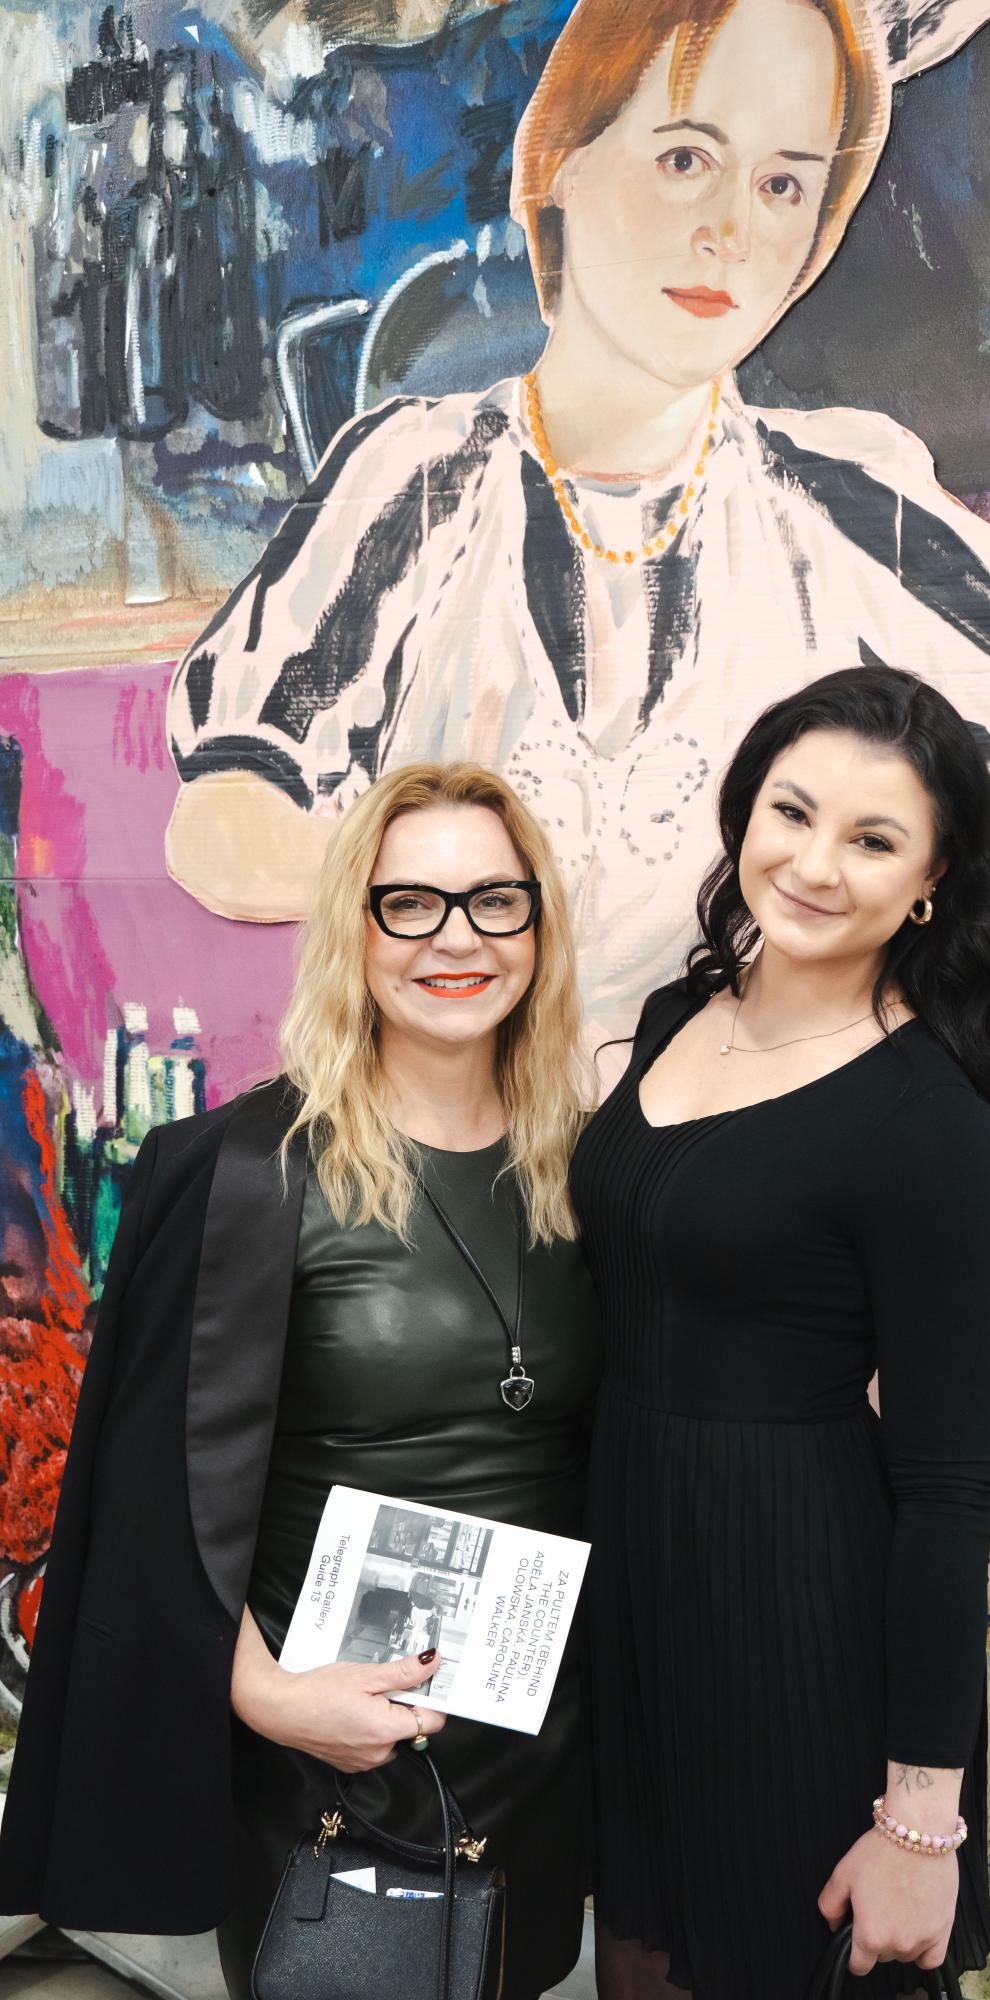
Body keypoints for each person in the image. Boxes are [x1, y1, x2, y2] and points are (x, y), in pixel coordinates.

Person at [164, 0, 990, 1046]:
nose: (731, 232)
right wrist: (461, 901)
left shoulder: (842, 499)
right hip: (459, 1113)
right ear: (561, 164)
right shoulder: (419, 480)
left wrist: (852, 920)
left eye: (783, 184)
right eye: (685, 159)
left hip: (733, 1124)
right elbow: (224, 817)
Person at [0, 762, 601, 2000]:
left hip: (534, 1748)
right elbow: (148, 1497)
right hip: (326, 1751)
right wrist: (266, 1694)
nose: (456, 938)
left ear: (539, 925)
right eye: (409, 902)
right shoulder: (242, 1171)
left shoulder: (587, 1171)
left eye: (495, 900)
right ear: (353, 928)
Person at [569, 663, 990, 1997]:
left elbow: (946, 1499)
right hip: (636, 1588)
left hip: (793, 1608)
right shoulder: (679, 1017)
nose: (815, 863)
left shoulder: (922, 1119)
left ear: (930, 883)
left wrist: (921, 1824)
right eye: (792, 811)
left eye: (873, 839)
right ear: (746, 814)